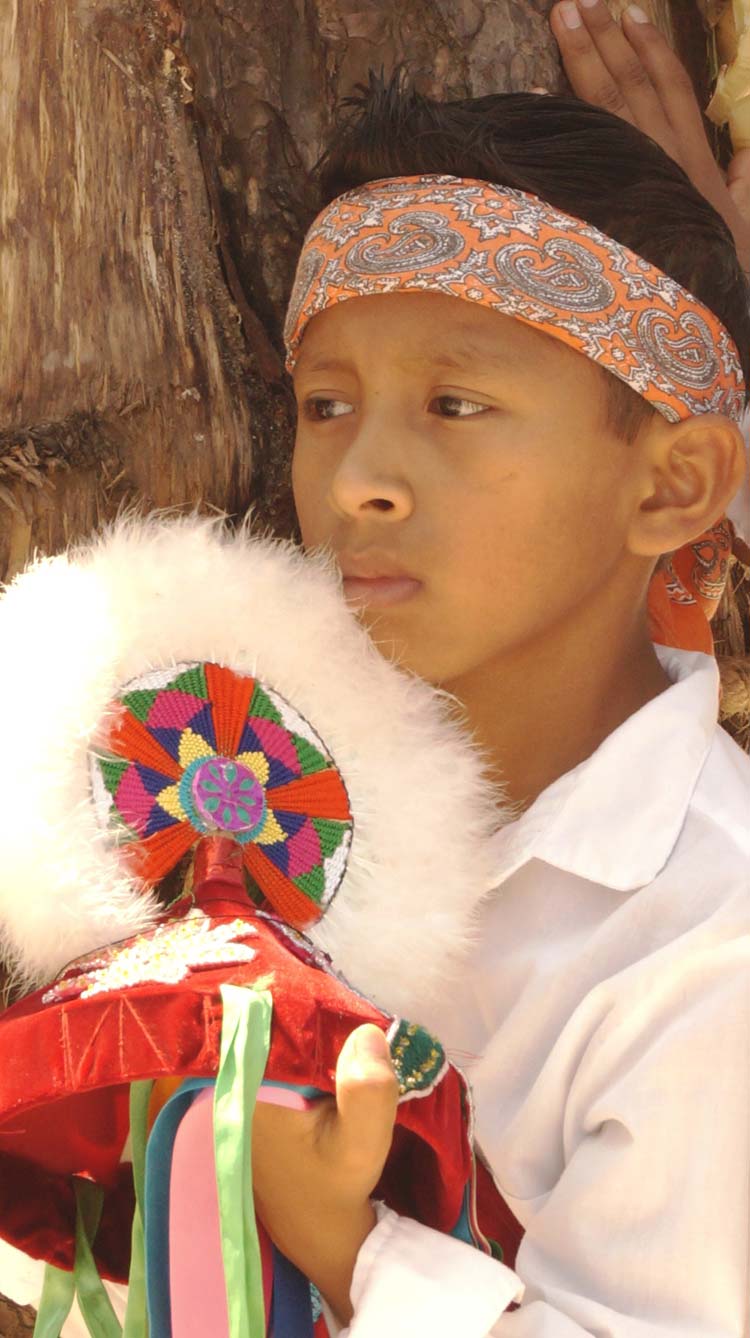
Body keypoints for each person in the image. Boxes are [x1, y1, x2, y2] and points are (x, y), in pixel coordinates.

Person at [247, 6, 750, 1337]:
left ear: (675, 481)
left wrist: (347, 1252)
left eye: (455, 406)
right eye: (324, 406)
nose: (357, 483)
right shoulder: (258, 799)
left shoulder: (709, 947)